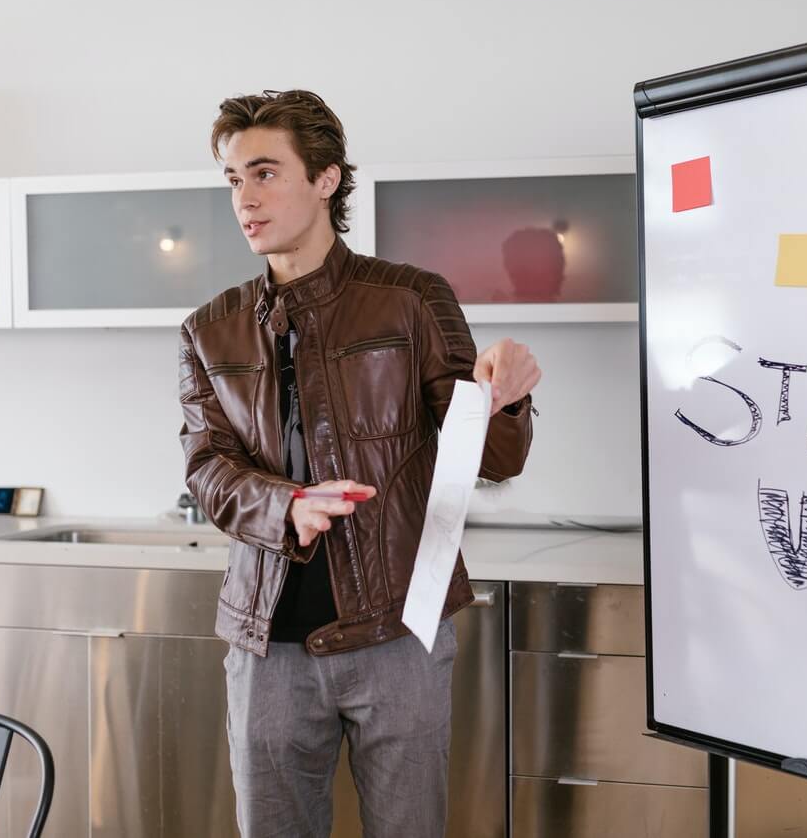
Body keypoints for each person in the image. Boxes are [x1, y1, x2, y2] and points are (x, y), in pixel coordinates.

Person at [178, 89, 540, 838]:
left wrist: (505, 396)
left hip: (397, 632)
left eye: (266, 173)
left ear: (326, 179)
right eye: (234, 179)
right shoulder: (207, 330)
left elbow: (493, 457)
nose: (246, 197)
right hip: (266, 641)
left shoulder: (411, 299)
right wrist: (288, 505)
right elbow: (207, 470)